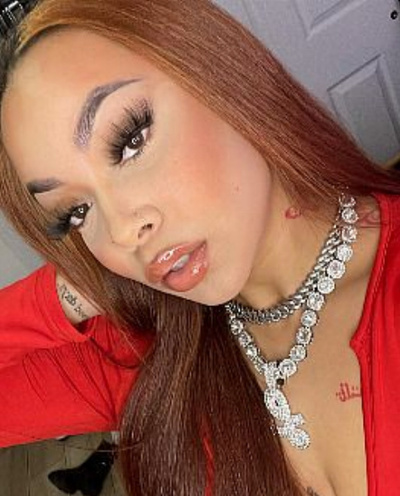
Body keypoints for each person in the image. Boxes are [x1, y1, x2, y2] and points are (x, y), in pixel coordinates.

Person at [0, 0, 399, 494]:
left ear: (222, 75)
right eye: (75, 212)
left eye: (130, 141)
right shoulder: (144, 364)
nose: (121, 232)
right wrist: (69, 291)